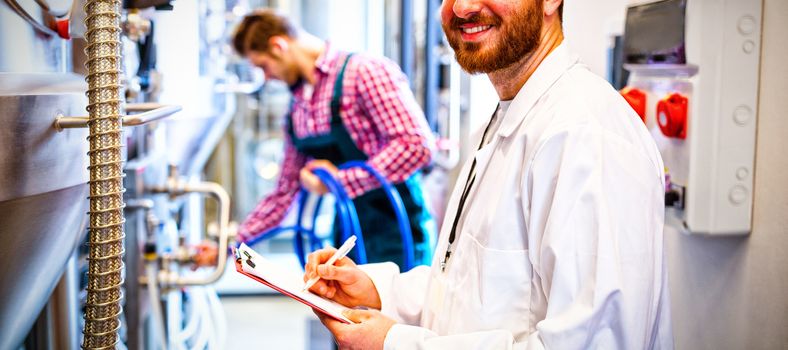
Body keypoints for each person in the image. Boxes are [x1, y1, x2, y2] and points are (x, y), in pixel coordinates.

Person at [303, 0, 675, 349]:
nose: (462, 7)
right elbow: (469, 289)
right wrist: (378, 291)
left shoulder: (585, 134)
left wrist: (396, 343)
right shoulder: (502, 121)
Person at [222, 9, 436, 268]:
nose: (266, 78)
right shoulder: (298, 107)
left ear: (278, 46)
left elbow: (417, 145)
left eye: (263, 67)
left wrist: (338, 182)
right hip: (348, 232)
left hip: (399, 233)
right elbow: (285, 191)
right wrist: (230, 246)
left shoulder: (364, 72)